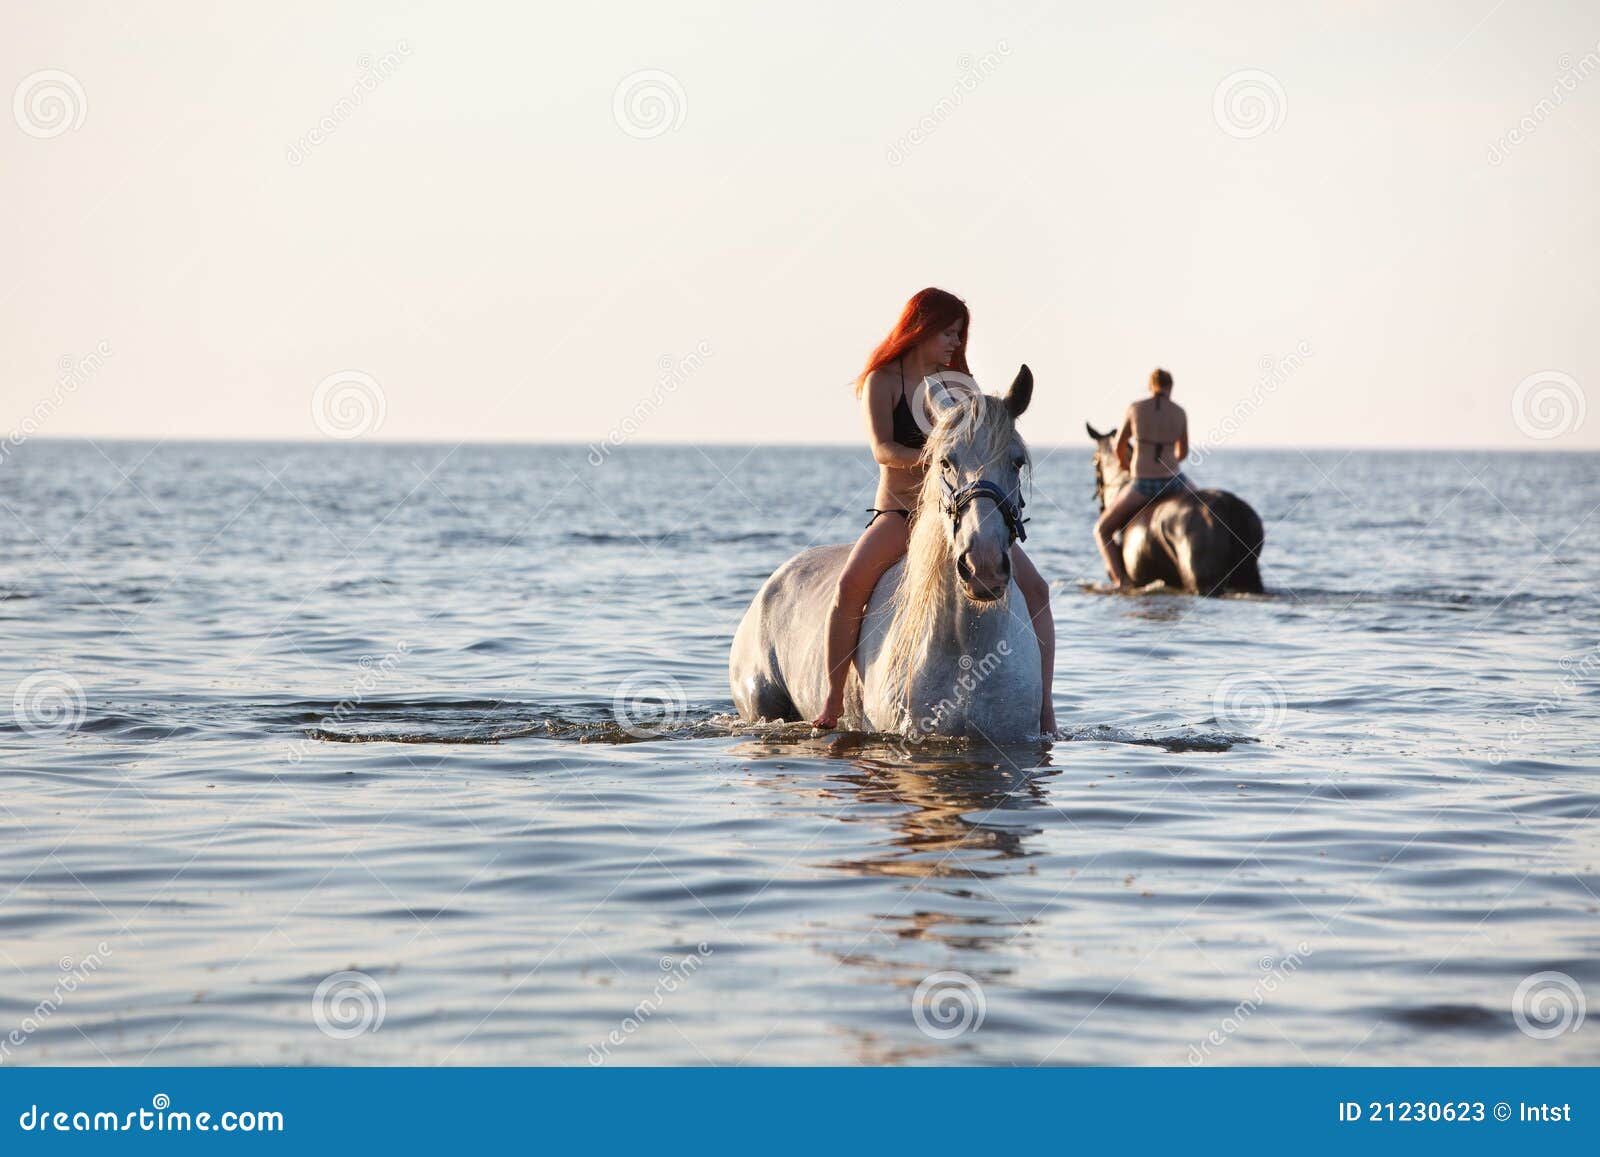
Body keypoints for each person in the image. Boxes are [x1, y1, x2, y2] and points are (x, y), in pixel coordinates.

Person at [811, 288, 1056, 734]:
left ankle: (1045, 710)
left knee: (1037, 591)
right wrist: (938, 457)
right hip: (901, 513)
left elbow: (985, 444)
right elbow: (883, 449)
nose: (954, 342)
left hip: (958, 517)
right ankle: (832, 701)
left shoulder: (961, 386)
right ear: (919, 329)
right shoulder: (883, 381)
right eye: (947, 332)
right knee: (849, 586)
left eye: (959, 334)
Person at [1094, 367, 1190, 589]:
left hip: (1143, 483)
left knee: (1102, 529)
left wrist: (1129, 466)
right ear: (1170, 387)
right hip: (1175, 480)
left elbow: (1119, 446)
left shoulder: (1135, 408)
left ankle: (1121, 581)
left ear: (1150, 386)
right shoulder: (1179, 412)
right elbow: (1182, 453)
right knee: (1205, 508)